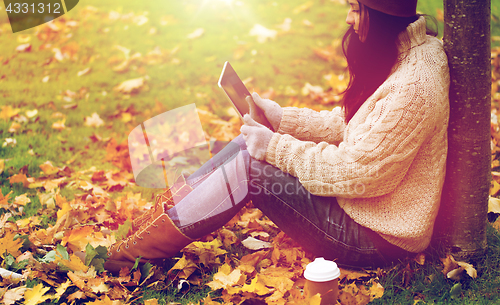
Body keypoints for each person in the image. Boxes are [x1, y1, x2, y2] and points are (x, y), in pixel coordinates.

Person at [103, 0, 450, 274]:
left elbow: (359, 171)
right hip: (360, 210)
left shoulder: (414, 87)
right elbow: (352, 126)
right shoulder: (403, 55)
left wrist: (275, 147)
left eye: (355, 8)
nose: (348, 18)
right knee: (246, 144)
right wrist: (281, 120)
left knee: (252, 167)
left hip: (378, 237)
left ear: (380, 14)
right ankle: (159, 218)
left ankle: (135, 254)